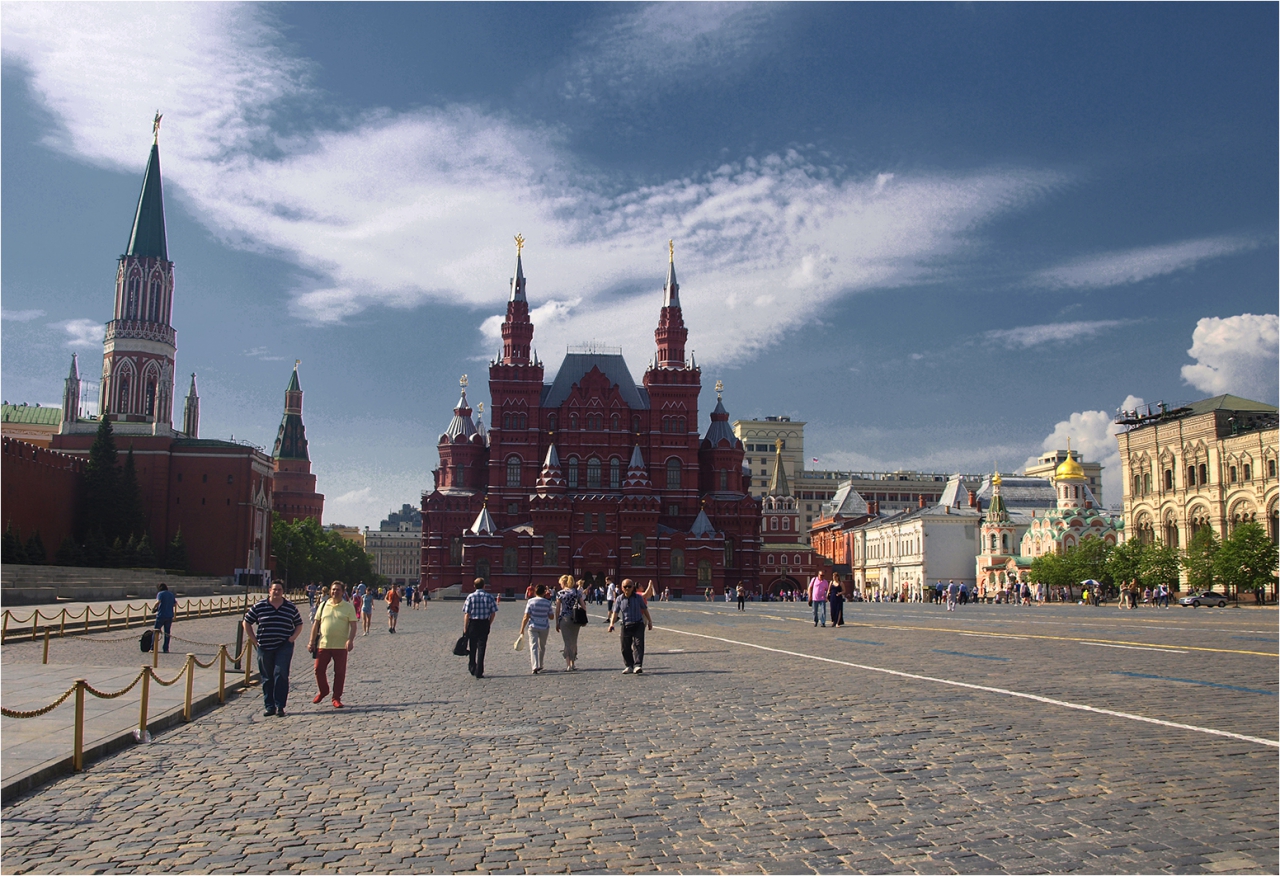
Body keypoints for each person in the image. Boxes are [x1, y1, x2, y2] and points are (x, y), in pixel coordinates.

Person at [243, 580, 304, 717]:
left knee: (280, 674)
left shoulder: (290, 607)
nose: (277, 592)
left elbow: (299, 624)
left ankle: (280, 705)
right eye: (274, 589)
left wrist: (291, 638)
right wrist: (254, 639)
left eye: (279, 590)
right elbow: (247, 622)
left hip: (283, 646)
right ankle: (269, 706)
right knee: (267, 677)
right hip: (264, 646)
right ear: (269, 590)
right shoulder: (260, 606)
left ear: (283, 592)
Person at [309, 581, 357, 707]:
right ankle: (324, 691)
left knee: (339, 673)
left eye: (338, 590)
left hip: (341, 646)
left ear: (343, 592)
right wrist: (311, 641)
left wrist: (350, 640)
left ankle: (336, 697)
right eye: (333, 589)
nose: (335, 592)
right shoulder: (323, 605)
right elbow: (316, 623)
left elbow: (353, 625)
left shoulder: (348, 607)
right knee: (318, 669)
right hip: (323, 644)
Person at [608, 578, 653, 674]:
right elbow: (615, 613)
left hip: (638, 624)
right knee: (625, 647)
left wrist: (650, 621)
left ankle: (637, 665)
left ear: (633, 587)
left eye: (629, 586)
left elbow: (645, 609)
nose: (627, 588)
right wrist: (611, 624)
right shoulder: (619, 599)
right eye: (625, 587)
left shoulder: (638, 598)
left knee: (638, 645)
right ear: (622, 588)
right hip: (626, 625)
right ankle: (629, 665)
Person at [463, 578, 498, 678]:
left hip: (473, 624)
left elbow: (467, 614)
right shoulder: (489, 597)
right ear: (484, 586)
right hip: (484, 623)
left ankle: (472, 667)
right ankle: (479, 671)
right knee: (482, 648)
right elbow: (493, 613)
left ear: (474, 586)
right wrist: (488, 623)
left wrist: (465, 628)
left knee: (472, 646)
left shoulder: (470, 597)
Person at [519, 583, 555, 674]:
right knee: (542, 646)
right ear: (544, 592)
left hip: (533, 626)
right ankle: (541, 664)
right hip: (544, 627)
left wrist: (522, 628)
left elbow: (526, 616)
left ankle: (535, 666)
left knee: (533, 646)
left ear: (535, 592)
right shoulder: (547, 603)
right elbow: (551, 617)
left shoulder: (530, 602)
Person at [555, 575, 585, 670]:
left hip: (565, 619)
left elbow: (557, 609)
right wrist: (584, 619)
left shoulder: (560, 593)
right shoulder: (577, 592)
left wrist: (557, 622)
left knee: (567, 642)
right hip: (576, 619)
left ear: (563, 583)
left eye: (560, 583)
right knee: (573, 641)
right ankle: (573, 663)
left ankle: (568, 665)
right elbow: (584, 606)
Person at [152, 582, 177, 653]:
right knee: (167, 633)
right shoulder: (171, 594)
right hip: (169, 616)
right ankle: (166, 648)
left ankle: (152, 647)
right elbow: (175, 604)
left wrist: (153, 608)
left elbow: (158, 602)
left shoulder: (160, 594)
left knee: (156, 631)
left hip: (161, 615)